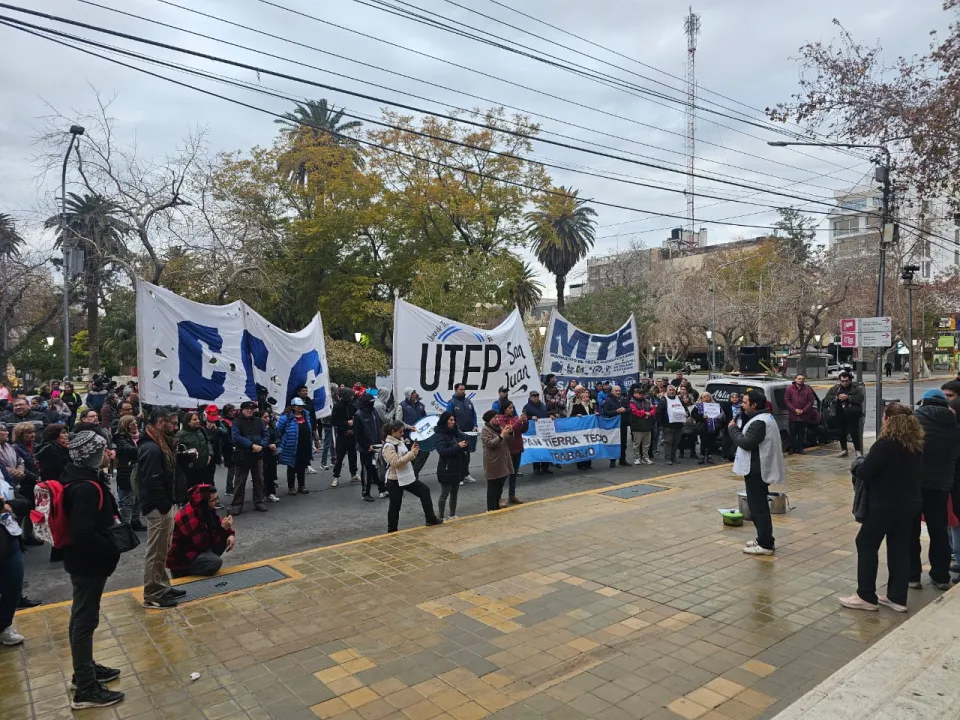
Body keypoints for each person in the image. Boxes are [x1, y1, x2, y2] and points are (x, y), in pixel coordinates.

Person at [61, 430, 124, 708]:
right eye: (104, 450)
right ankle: (86, 688)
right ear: (93, 455)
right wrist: (110, 547)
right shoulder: (85, 487)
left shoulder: (78, 476)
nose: (109, 453)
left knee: (81, 616)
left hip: (84, 562)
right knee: (85, 621)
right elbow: (83, 532)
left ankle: (83, 669)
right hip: (88, 563)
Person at [840, 403, 923, 612]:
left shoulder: (885, 444)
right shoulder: (915, 444)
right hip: (910, 503)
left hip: (884, 504)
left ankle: (865, 595)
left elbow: (865, 472)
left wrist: (858, 463)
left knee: (866, 543)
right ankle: (897, 597)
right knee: (899, 548)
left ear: (888, 420)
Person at [910, 389, 960, 590]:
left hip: (913, 486)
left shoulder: (913, 424)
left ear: (924, 402)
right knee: (939, 532)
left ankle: (912, 576)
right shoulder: (955, 428)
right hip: (940, 487)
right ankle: (940, 576)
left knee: (910, 531)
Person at [728, 390, 786, 556]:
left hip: (757, 471)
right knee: (757, 506)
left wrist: (732, 429)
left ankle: (766, 544)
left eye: (745, 402)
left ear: (754, 405)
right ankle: (763, 539)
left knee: (758, 508)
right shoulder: (763, 418)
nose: (742, 405)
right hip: (757, 469)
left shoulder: (760, 422)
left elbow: (746, 443)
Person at [140, 407, 187, 609]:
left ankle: (162, 585)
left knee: (163, 549)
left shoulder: (160, 443)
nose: (176, 427)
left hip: (164, 504)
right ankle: (153, 593)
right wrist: (165, 506)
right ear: (160, 422)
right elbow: (153, 481)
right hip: (158, 507)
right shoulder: (152, 448)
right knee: (157, 551)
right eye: (173, 423)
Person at [382, 420, 442, 532]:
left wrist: (413, 452)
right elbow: (396, 463)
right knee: (395, 506)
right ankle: (392, 529)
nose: (402, 434)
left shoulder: (399, 441)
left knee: (424, 491)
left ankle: (430, 518)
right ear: (392, 432)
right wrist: (411, 454)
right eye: (400, 432)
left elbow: (406, 457)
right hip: (395, 480)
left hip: (407, 476)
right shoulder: (388, 446)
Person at [166, 484, 236, 578]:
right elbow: (204, 544)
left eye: (217, 498)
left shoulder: (206, 509)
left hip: (195, 548)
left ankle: (203, 562)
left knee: (224, 538)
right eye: (213, 500)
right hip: (182, 556)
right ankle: (182, 572)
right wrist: (223, 529)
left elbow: (217, 523)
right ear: (204, 502)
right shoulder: (191, 516)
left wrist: (230, 534)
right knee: (215, 563)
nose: (216, 502)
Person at [0, 473, 28, 645]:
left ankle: (4, 626)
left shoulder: (2, 482)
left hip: (9, 540)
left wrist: (8, 504)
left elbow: (25, 503)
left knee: (14, 585)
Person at [230, 401, 269, 514]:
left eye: (252, 409)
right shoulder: (237, 422)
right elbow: (236, 437)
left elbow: (266, 435)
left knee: (259, 480)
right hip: (243, 456)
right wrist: (251, 445)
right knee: (240, 481)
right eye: (247, 409)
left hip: (257, 455)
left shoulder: (258, 421)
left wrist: (262, 445)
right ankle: (237, 504)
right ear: (242, 410)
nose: (250, 411)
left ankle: (259, 501)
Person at [434, 412, 468, 521]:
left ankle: (452, 514)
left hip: (456, 467)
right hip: (446, 468)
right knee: (445, 493)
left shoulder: (455, 432)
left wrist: (463, 443)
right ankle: (440, 516)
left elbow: (464, 441)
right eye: (451, 420)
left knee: (455, 493)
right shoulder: (439, 434)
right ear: (445, 421)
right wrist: (458, 446)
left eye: (454, 420)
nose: (453, 422)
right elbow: (443, 451)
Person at [277, 399, 313, 496]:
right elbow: (278, 432)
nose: (300, 407)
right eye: (298, 406)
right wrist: (280, 445)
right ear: (293, 406)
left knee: (302, 465)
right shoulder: (286, 418)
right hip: (291, 445)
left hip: (304, 445)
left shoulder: (306, 415)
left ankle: (302, 486)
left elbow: (309, 428)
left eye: (302, 406)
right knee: (292, 466)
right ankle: (291, 487)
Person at [114, 415, 145, 531]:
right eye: (131, 424)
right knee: (129, 499)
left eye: (135, 423)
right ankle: (125, 523)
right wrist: (144, 449)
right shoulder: (120, 438)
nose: (135, 425)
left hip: (140, 469)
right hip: (127, 471)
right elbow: (129, 450)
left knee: (139, 498)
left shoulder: (141, 436)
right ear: (125, 425)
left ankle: (135, 520)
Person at [824, 372, 865, 458]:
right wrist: (836, 398)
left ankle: (857, 451)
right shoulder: (835, 388)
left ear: (850, 380)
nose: (845, 383)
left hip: (852, 414)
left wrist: (848, 398)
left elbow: (860, 398)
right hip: (839, 413)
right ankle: (844, 450)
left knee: (854, 433)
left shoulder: (855, 388)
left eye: (846, 381)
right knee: (841, 432)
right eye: (842, 381)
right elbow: (827, 398)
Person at [355, 393, 386, 502]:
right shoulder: (358, 415)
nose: (372, 404)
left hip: (376, 445)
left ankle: (382, 489)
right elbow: (358, 434)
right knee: (367, 470)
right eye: (370, 403)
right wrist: (366, 446)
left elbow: (378, 426)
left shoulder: (373, 412)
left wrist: (381, 438)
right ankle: (365, 493)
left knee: (375, 468)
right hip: (366, 448)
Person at [480, 410, 514, 512]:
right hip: (493, 461)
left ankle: (497, 504)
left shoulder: (500, 428)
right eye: (495, 417)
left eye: (498, 417)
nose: (497, 419)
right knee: (492, 486)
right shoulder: (485, 430)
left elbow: (509, 440)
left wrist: (510, 432)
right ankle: (491, 508)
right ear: (490, 419)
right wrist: (501, 436)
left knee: (500, 484)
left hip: (503, 460)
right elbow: (490, 444)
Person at [497, 401, 529, 504]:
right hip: (507, 450)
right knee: (504, 474)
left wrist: (525, 422)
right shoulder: (501, 419)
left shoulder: (515, 418)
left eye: (512, 408)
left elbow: (523, 430)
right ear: (504, 409)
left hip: (517, 448)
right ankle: (498, 497)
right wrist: (519, 422)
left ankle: (512, 495)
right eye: (509, 408)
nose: (511, 409)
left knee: (514, 473)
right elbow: (509, 430)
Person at [447, 384, 479, 483]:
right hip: (457, 434)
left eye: (464, 389)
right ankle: (458, 476)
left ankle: (466, 474)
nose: (463, 391)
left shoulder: (468, 401)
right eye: (461, 389)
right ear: (456, 390)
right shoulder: (451, 403)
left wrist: (475, 425)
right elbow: (448, 418)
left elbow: (474, 415)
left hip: (468, 433)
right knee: (458, 455)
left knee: (467, 455)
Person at [175, 412, 214, 490]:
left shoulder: (202, 430)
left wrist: (210, 454)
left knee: (208, 488)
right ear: (188, 422)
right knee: (194, 490)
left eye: (198, 419)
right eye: (194, 419)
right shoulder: (180, 434)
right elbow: (175, 451)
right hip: (192, 469)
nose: (198, 421)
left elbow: (208, 442)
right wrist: (186, 453)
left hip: (206, 466)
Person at [331, 388, 360, 488]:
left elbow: (356, 419)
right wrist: (346, 423)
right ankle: (336, 476)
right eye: (351, 395)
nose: (352, 397)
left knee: (353, 456)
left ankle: (354, 474)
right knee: (339, 457)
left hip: (351, 435)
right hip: (342, 435)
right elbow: (333, 421)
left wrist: (353, 429)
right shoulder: (337, 406)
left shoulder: (352, 406)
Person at [400, 388, 430, 478]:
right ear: (408, 395)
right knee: (411, 456)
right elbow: (398, 421)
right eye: (412, 393)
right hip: (408, 436)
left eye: (415, 392)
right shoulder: (401, 406)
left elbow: (425, 419)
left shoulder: (421, 405)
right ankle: (409, 476)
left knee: (425, 452)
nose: (414, 394)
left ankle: (413, 474)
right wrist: (408, 427)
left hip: (420, 435)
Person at [784, 374, 816, 454]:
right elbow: (787, 400)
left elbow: (811, 401)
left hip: (804, 416)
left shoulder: (808, 389)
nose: (801, 380)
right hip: (793, 416)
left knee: (801, 433)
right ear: (795, 379)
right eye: (799, 378)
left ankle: (800, 448)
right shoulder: (789, 389)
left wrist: (803, 410)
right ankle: (792, 448)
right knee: (792, 433)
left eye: (802, 379)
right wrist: (794, 410)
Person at [523, 390, 552, 475]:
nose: (536, 398)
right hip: (534, 433)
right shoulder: (527, 407)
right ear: (530, 397)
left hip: (544, 431)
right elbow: (524, 417)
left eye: (537, 396)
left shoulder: (543, 405)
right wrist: (531, 417)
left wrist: (551, 415)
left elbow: (548, 412)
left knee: (545, 449)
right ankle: (536, 468)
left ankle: (545, 468)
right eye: (534, 396)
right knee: (536, 450)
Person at [601, 384, 630, 468]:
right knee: (613, 442)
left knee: (623, 443)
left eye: (619, 391)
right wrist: (617, 411)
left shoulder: (623, 399)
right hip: (613, 425)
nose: (618, 392)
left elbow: (629, 409)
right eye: (616, 391)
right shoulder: (608, 400)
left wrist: (625, 409)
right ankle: (612, 461)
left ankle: (622, 460)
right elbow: (606, 412)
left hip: (623, 424)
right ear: (612, 391)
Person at [294, 385, 321, 474]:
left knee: (307, 447)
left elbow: (313, 416)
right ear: (298, 392)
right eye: (303, 391)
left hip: (307, 427)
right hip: (297, 428)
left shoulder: (310, 401)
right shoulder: (294, 401)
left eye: (306, 390)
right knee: (297, 448)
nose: (305, 392)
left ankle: (307, 465)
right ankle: (295, 466)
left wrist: (314, 429)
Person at [656, 385, 685, 465]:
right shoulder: (664, 400)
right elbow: (659, 413)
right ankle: (668, 458)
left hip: (678, 425)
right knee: (668, 443)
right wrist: (661, 425)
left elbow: (684, 408)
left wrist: (686, 414)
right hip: (668, 426)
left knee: (676, 443)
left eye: (673, 390)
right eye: (670, 390)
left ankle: (674, 457)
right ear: (667, 391)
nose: (672, 391)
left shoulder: (678, 399)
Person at [691, 392, 722, 465]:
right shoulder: (698, 406)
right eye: (704, 397)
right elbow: (694, 415)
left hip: (713, 427)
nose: (706, 398)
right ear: (701, 398)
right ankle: (702, 456)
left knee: (711, 442)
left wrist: (718, 417)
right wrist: (702, 417)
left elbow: (721, 414)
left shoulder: (715, 406)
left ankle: (709, 456)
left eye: (708, 396)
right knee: (704, 442)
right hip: (703, 427)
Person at [628, 386, 655, 466]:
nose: (642, 395)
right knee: (637, 444)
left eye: (642, 394)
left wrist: (650, 413)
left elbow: (653, 409)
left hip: (647, 425)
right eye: (640, 394)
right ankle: (637, 458)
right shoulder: (632, 402)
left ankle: (645, 457)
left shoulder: (647, 401)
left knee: (646, 444)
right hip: (637, 426)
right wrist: (644, 413)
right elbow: (634, 412)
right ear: (635, 394)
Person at [570, 387, 595, 470]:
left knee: (589, 445)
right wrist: (577, 416)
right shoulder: (577, 406)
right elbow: (571, 416)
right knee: (581, 446)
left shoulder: (590, 407)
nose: (586, 399)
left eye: (587, 397)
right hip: (580, 430)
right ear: (581, 398)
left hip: (589, 430)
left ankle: (588, 463)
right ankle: (580, 464)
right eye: (584, 397)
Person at [261, 410, 280, 502]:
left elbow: (278, 437)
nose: (267, 419)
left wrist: (275, 444)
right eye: (264, 417)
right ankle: (261, 493)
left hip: (271, 453)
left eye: (268, 416)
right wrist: (267, 444)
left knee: (271, 473)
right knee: (262, 474)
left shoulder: (273, 426)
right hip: (262, 453)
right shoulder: (258, 428)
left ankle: (271, 493)